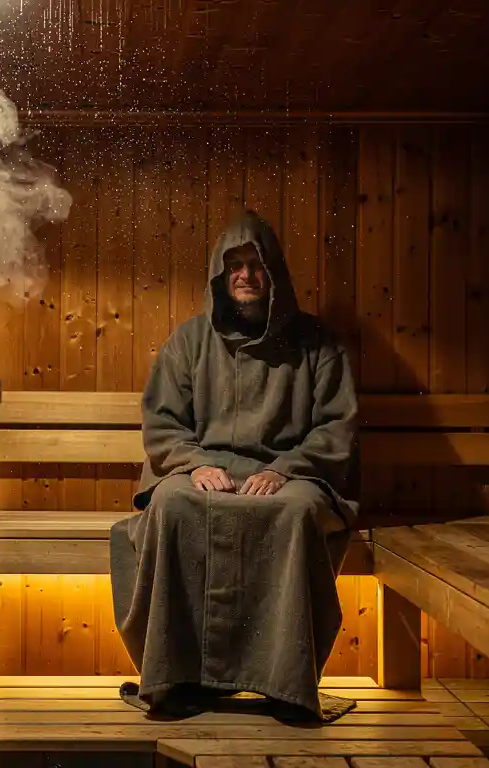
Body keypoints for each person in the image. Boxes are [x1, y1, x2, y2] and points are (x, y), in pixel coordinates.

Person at [108, 209, 360, 723]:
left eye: (256, 264)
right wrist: (194, 463)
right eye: (235, 267)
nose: (245, 275)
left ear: (274, 274)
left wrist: (287, 469)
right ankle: (175, 679)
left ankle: (285, 685)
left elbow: (336, 426)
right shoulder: (189, 341)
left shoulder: (317, 344)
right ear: (220, 278)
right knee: (173, 504)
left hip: (292, 476)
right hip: (204, 472)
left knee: (293, 514)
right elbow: (162, 421)